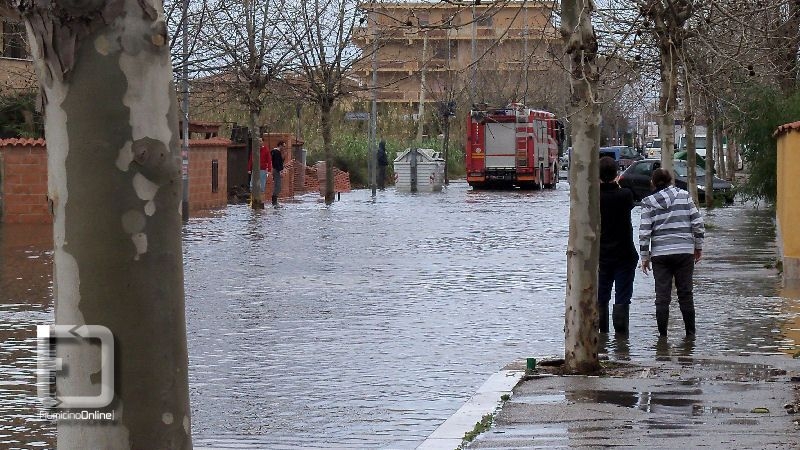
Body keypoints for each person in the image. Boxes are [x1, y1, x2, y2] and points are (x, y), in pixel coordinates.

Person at [639, 168, 704, 337]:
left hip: (660, 255)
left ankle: (662, 338)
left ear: (653, 183)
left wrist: (644, 257)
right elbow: (698, 224)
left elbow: (644, 232)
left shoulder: (647, 202)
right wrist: (698, 247)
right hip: (684, 252)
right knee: (685, 294)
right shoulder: (684, 196)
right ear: (670, 180)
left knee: (662, 296)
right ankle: (690, 335)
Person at [598, 156, 639, 335]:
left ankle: (602, 339)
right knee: (622, 297)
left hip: (601, 256)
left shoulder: (594, 198)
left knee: (601, 297)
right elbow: (631, 198)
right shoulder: (625, 195)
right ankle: (622, 342)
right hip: (625, 254)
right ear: (616, 174)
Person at [248, 139, 272, 206]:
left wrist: (269, 170)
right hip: (255, 169)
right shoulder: (254, 150)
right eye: (258, 141)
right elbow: (251, 159)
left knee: (262, 186)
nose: (259, 142)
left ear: (263, 142)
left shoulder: (266, 150)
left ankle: (261, 201)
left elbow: (269, 160)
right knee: (252, 185)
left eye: (260, 141)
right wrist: (249, 169)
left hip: (262, 170)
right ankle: (253, 200)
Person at [270, 141, 286, 207]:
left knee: (278, 186)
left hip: (276, 170)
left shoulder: (276, 152)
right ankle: (274, 202)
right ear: (280, 145)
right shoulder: (276, 152)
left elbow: (280, 162)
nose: (284, 148)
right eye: (283, 146)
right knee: (278, 186)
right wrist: (280, 171)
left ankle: (275, 202)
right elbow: (277, 163)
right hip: (276, 170)